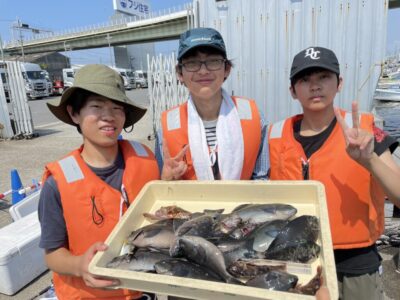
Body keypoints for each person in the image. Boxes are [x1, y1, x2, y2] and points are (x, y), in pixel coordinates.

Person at [268, 46, 400, 300]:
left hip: (354, 263)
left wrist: (369, 159)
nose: (315, 86)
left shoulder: (365, 131)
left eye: (324, 77)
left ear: (339, 83)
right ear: (292, 91)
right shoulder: (275, 135)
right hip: (299, 263)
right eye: (305, 80)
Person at [38, 64, 159, 299]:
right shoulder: (57, 183)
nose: (109, 116)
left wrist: (169, 180)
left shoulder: (145, 158)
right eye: (96, 106)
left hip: (142, 289)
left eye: (117, 107)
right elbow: (52, 254)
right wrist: (79, 266)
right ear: (74, 113)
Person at [155, 27, 269, 180]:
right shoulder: (166, 127)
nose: (203, 71)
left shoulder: (254, 116)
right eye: (192, 63)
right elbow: (161, 189)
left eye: (213, 61)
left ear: (227, 69)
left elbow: (262, 177)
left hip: (244, 203)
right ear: (180, 74)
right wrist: (166, 180)